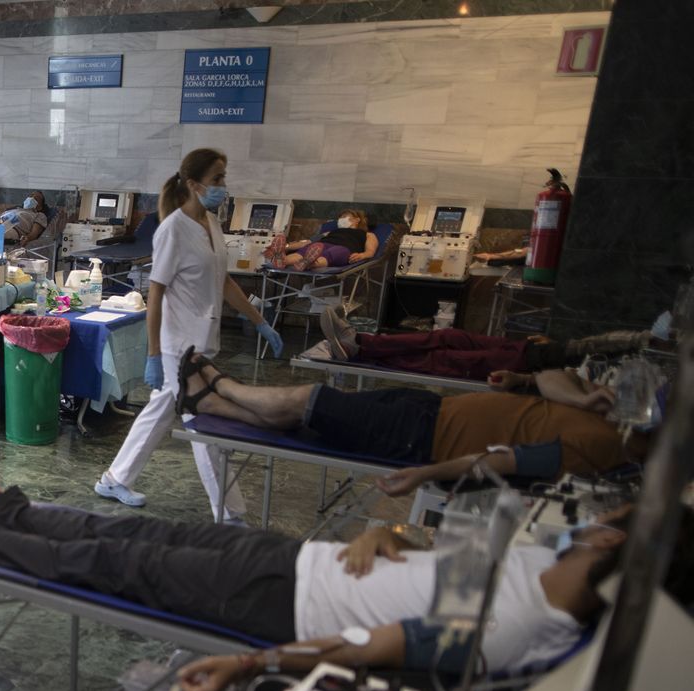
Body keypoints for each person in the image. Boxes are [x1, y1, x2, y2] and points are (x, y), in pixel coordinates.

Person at [0, 442, 694, 685]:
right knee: (133, 532)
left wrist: (250, 665)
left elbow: (373, 648)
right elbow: (447, 571)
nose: (605, 512)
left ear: (613, 543)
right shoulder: (539, 571)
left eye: (620, 514)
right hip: (300, 560)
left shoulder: (518, 626)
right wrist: (397, 538)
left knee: (109, 560)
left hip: (281, 603)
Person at [94, 148, 284, 519]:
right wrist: (153, 354)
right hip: (177, 345)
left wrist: (259, 321)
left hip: (203, 340)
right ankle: (230, 512)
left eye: (224, 177)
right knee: (203, 425)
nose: (223, 186)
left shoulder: (211, 223)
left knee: (160, 410)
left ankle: (115, 478)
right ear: (195, 185)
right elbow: (156, 293)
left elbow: (224, 281)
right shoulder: (173, 230)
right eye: (217, 179)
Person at [174, 351, 658, 496]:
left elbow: (502, 461)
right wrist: (579, 395)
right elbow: (554, 374)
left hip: (421, 440)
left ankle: (223, 385)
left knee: (309, 401)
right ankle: (209, 403)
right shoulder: (609, 416)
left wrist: (426, 475)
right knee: (318, 409)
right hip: (432, 410)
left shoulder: (607, 451)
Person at [318, 307, 668, 379]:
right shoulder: (656, 355)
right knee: (450, 336)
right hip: (536, 353)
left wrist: (525, 381)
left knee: (443, 358)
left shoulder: (652, 379)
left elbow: (588, 357)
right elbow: (589, 346)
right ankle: (362, 342)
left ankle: (360, 349)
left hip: (530, 368)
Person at [267, 208, 378, 271]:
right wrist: (286, 246)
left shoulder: (368, 235)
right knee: (306, 250)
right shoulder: (330, 232)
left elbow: (370, 252)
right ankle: (283, 260)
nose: (341, 219)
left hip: (345, 248)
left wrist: (362, 255)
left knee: (333, 252)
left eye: (345, 216)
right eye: (340, 217)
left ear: (357, 219)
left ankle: (310, 263)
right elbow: (308, 242)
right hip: (321, 245)